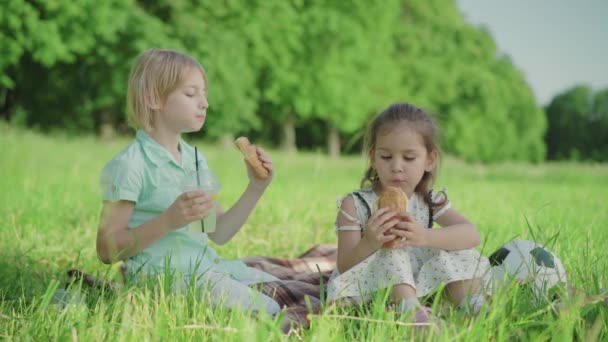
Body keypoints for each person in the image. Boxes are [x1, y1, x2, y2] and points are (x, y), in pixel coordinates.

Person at [96, 48, 283, 318]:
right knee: (272, 310)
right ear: (152, 98)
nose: (204, 103)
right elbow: (106, 249)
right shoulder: (130, 164)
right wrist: (168, 221)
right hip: (163, 279)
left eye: (204, 93)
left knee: (280, 288)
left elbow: (218, 233)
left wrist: (256, 187)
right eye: (191, 94)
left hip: (205, 267)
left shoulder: (195, 159)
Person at [327, 103, 490, 323]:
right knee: (390, 251)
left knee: (459, 251)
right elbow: (344, 265)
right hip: (369, 286)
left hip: (420, 282)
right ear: (374, 158)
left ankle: (473, 307)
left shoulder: (430, 200)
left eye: (409, 158)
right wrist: (371, 242)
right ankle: (413, 315)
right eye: (386, 157)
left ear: (429, 161)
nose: (396, 166)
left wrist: (424, 236)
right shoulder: (355, 204)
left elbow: (472, 235)